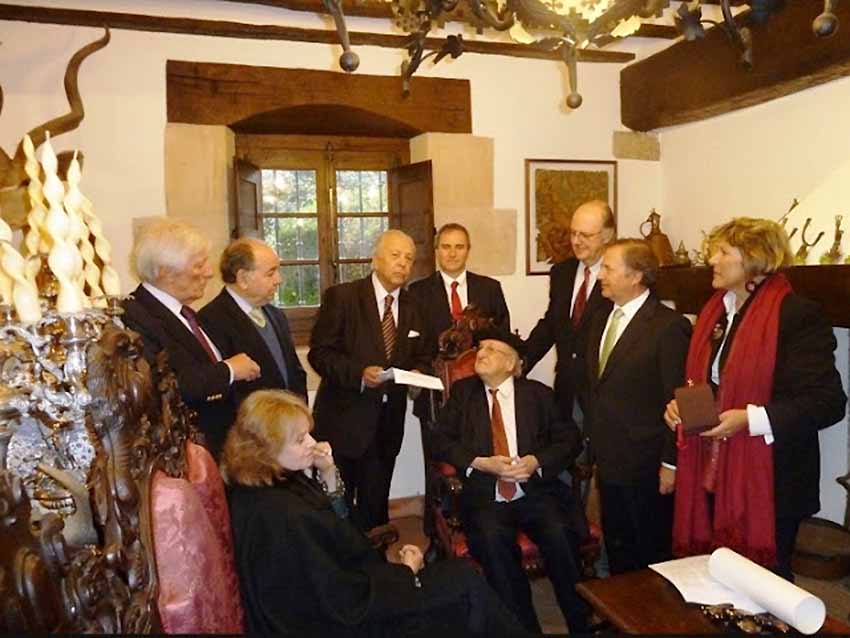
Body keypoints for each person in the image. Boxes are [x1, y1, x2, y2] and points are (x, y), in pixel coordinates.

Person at [223, 389, 532, 638]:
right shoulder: (281, 516)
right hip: (341, 623)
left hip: (347, 597)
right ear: (265, 447)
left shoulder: (272, 481)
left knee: (461, 582)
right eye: (300, 439)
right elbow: (342, 602)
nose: (314, 444)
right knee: (464, 588)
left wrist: (329, 475)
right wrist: (406, 574)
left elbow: (339, 534)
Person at [664, 217, 846, 580]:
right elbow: (710, 384)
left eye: (722, 252)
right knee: (719, 576)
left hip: (772, 479)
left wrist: (751, 419)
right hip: (713, 468)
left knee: (766, 586)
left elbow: (827, 402)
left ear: (755, 259)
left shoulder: (797, 314)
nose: (711, 260)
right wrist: (681, 407)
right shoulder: (715, 311)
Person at [432, 329, 588, 634]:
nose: (481, 353)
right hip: (485, 494)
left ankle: (579, 623)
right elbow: (440, 439)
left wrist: (536, 462)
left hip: (535, 491)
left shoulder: (538, 394)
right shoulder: (464, 393)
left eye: (491, 349)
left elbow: (569, 439)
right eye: (481, 348)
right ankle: (523, 628)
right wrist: (479, 462)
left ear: (512, 363)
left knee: (559, 533)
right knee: (491, 541)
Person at [308, 229, 430, 532]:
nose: (402, 264)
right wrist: (359, 374)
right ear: (375, 259)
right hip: (343, 421)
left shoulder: (416, 306)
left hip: (387, 426)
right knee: (337, 509)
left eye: (409, 259)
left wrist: (418, 373)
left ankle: (375, 571)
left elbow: (423, 355)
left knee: (376, 511)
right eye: (395, 255)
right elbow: (320, 354)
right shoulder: (343, 297)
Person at [585, 239, 691, 574]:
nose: (600, 274)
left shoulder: (668, 326)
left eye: (608, 268)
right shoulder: (601, 316)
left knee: (650, 553)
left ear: (636, 276)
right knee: (617, 546)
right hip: (609, 457)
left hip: (646, 464)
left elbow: (677, 401)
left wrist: (670, 464)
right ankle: (622, 617)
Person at [122, 218, 260, 459]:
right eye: (198, 265)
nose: (208, 273)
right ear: (165, 271)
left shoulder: (186, 314)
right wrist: (228, 370)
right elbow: (164, 385)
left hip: (217, 447)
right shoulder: (136, 317)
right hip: (183, 454)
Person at [525, 199, 615, 424]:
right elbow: (552, 324)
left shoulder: (619, 275)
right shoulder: (561, 273)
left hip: (603, 393)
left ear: (607, 234)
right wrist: (522, 360)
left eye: (585, 235)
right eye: (573, 233)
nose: (576, 241)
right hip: (566, 389)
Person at [200, 237, 307, 405]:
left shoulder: (276, 315)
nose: (279, 280)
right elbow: (224, 389)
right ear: (243, 278)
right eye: (270, 273)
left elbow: (295, 372)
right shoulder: (210, 320)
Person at [409, 222, 510, 360]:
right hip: (435, 373)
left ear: (468, 250)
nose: (452, 254)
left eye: (459, 247)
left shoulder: (490, 288)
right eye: (446, 247)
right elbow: (416, 344)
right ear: (436, 250)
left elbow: (502, 338)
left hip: (481, 374)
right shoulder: (418, 292)